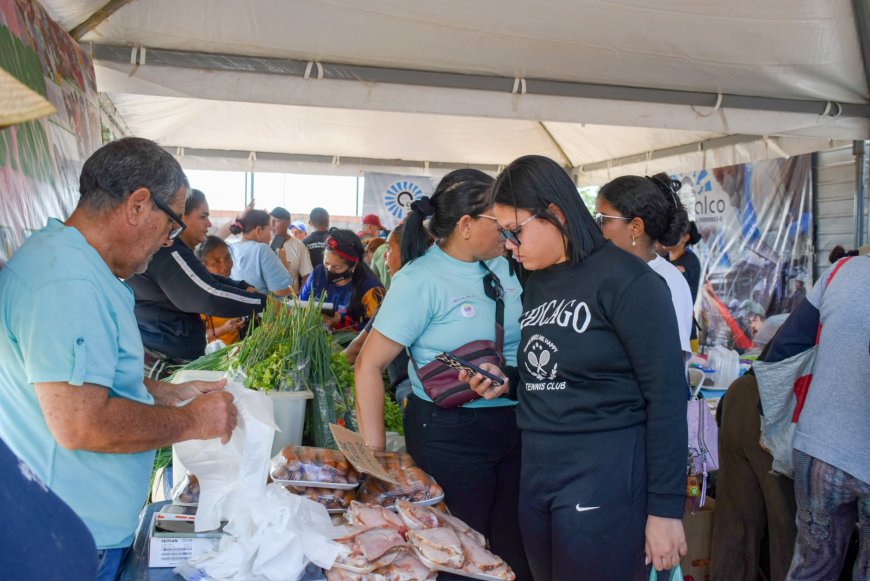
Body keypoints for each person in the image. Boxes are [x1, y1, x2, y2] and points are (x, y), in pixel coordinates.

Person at [0, 137, 238, 581]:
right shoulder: (67, 282)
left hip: (76, 529)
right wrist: (194, 422)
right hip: (70, 538)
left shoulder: (70, 262)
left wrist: (165, 393)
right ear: (137, 205)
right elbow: (81, 423)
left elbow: (68, 384)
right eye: (170, 227)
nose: (167, 242)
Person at [470, 155, 687, 580]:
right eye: (503, 234)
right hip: (537, 468)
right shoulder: (537, 278)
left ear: (555, 213)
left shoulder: (629, 281)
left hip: (603, 470)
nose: (509, 246)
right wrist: (507, 382)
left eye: (515, 232)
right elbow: (557, 375)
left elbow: (666, 397)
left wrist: (665, 508)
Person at [355, 169, 532, 581]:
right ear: (466, 225)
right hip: (449, 434)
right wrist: (375, 457)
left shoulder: (512, 266)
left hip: (516, 426)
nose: (509, 229)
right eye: (499, 221)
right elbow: (369, 364)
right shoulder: (420, 280)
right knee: (459, 555)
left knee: (510, 552)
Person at [762, 251, 869, 580]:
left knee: (812, 566)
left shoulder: (841, 271)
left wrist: (771, 421)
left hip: (819, 447)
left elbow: (783, 349)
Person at [129, 189, 266, 374]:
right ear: (180, 215)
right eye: (203, 217)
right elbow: (207, 296)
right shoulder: (170, 252)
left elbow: (205, 279)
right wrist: (262, 302)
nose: (209, 224)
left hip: (170, 353)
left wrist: (241, 287)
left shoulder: (177, 251)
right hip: (163, 360)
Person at [710, 352, 797, 581]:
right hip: (778, 408)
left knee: (735, 529)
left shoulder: (806, 316)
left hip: (742, 395)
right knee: (787, 533)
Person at [595, 173, 694, 363]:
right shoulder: (614, 273)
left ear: (635, 228)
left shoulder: (666, 280)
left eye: (603, 219)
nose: (595, 228)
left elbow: (671, 363)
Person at [344, 222, 412, 406]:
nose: (385, 256)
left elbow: (358, 348)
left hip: (413, 391)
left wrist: (327, 367)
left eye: (390, 248)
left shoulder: (399, 294)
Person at [299, 228, 386, 330]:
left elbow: (375, 331)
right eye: (326, 263)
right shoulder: (318, 274)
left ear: (353, 266)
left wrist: (342, 323)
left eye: (337, 267)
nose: (329, 270)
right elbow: (301, 304)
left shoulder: (371, 289)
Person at [195, 235, 249, 346]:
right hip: (218, 356)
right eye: (216, 262)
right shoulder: (200, 298)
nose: (225, 266)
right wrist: (224, 329)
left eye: (227, 258)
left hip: (237, 350)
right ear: (203, 266)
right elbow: (199, 336)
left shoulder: (232, 287)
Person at [229, 210, 295, 296]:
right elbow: (285, 290)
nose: (272, 235)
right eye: (270, 230)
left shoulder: (230, 248)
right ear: (259, 230)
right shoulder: (261, 249)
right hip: (263, 308)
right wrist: (284, 262)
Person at [269, 206, 314, 292]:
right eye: (271, 221)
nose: (272, 225)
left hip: (290, 301)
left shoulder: (299, 247)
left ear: (288, 223)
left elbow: (307, 277)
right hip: (268, 300)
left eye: (276, 221)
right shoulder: (265, 244)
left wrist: (298, 298)